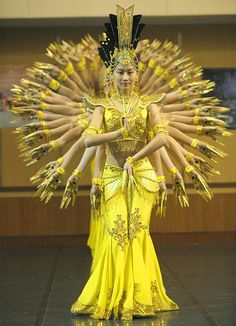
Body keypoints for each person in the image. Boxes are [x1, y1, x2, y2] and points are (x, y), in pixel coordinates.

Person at [11, 4, 230, 321]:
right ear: (110, 74)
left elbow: (162, 138)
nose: (126, 76)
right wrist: (107, 153)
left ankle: (139, 297)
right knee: (116, 234)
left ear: (137, 74)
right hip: (112, 177)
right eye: (120, 72)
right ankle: (113, 294)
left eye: (130, 71)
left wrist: (138, 158)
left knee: (137, 233)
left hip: (142, 178)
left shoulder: (149, 104)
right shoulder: (99, 105)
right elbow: (89, 141)